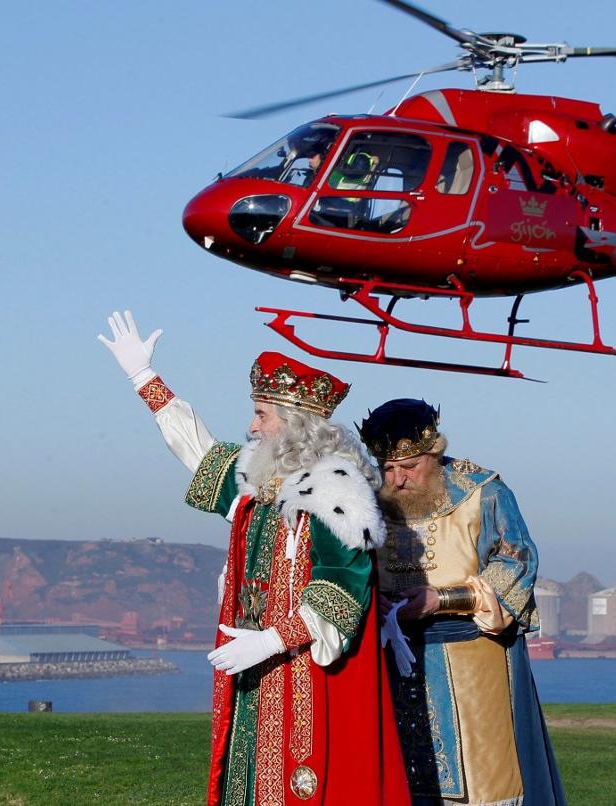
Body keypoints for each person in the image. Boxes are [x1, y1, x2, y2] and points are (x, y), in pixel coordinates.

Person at [98, 311, 410, 806]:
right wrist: (144, 379)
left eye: (262, 414)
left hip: (304, 675)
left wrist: (270, 640)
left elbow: (342, 590)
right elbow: (198, 452)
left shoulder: (335, 492)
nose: (250, 426)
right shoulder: (259, 484)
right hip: (256, 672)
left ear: (295, 427)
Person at [358, 399, 566, 806]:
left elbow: (517, 562)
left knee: (482, 778)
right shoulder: (366, 500)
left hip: (469, 658)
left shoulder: (483, 493)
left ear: (434, 453)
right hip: (386, 658)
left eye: (409, 467)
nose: (397, 480)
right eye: (388, 469)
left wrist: (442, 598)